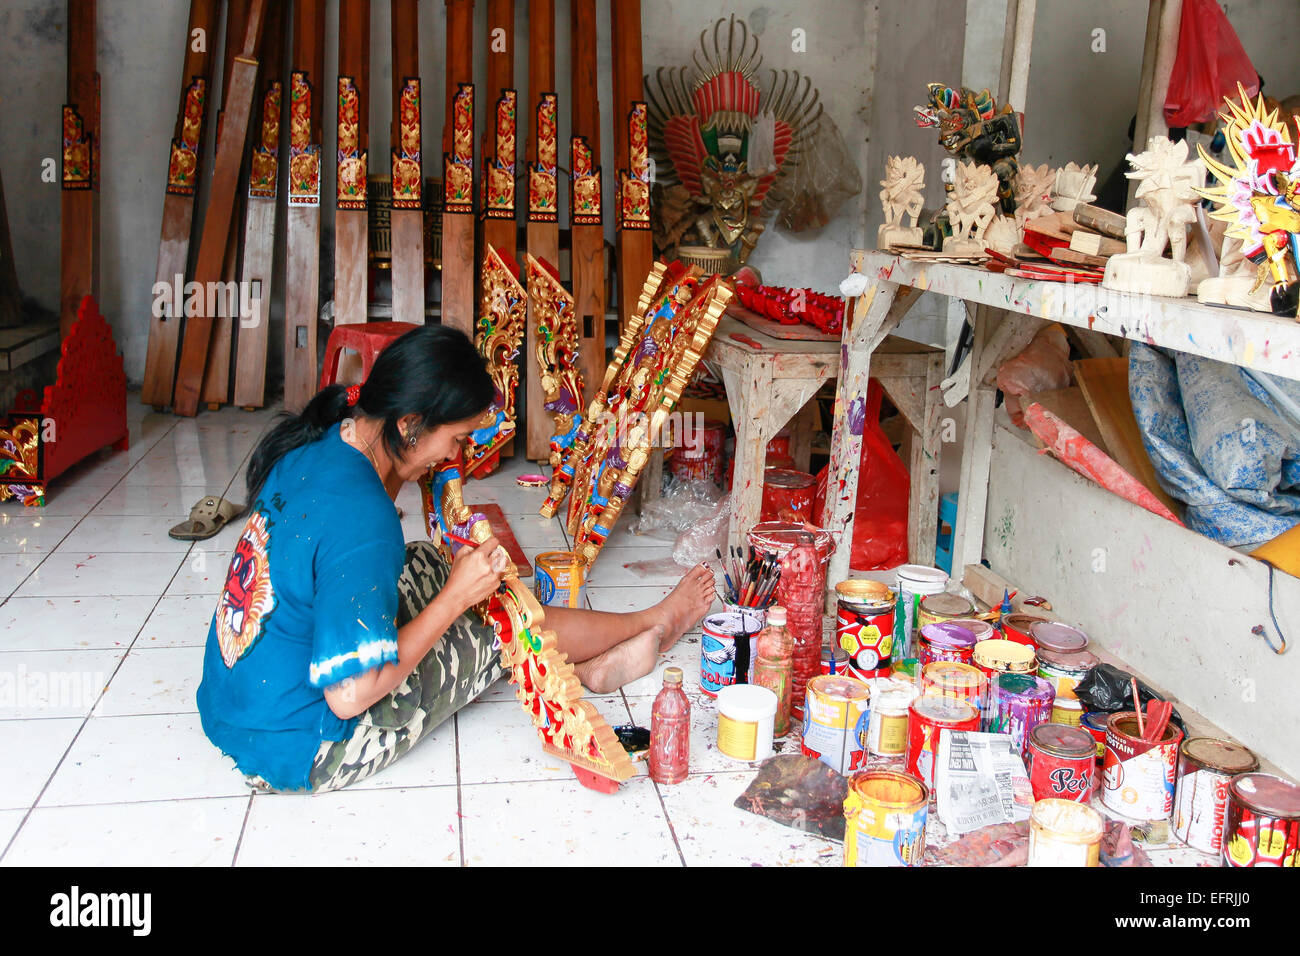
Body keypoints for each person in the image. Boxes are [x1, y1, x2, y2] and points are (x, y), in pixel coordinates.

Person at [196, 325, 715, 793]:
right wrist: (453, 600)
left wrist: (450, 573)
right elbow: (349, 696)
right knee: (498, 626)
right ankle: (653, 623)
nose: (452, 455)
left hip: (237, 703)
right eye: (455, 440)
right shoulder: (364, 519)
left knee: (425, 560)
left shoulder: (326, 440)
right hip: (305, 745)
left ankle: (596, 663)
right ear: (410, 425)